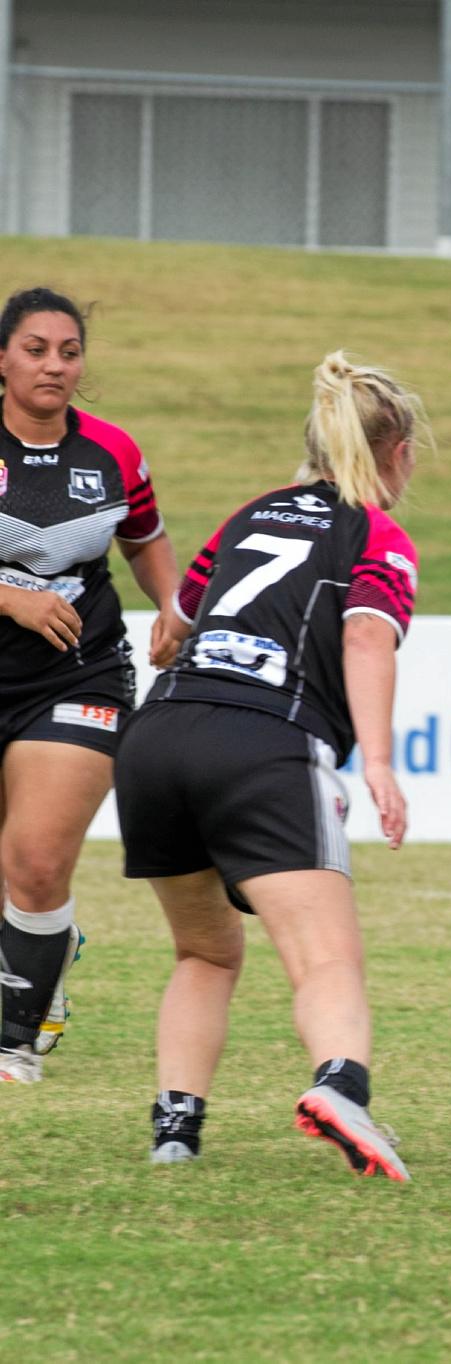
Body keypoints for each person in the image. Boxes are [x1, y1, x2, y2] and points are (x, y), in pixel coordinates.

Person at [117, 352, 424, 1177]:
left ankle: (175, 1131)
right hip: (265, 743)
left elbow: (177, 621)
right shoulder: (378, 535)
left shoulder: (252, 513)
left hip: (159, 738)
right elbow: (365, 635)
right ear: (399, 454)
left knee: (205, 951)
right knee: (325, 960)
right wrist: (382, 765)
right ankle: (340, 1086)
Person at [0, 287, 183, 1084]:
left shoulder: (112, 451)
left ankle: (12, 1043)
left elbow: (145, 538)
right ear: (3, 358)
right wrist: (10, 597)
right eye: (36, 349)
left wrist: (174, 607)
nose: (54, 365)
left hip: (80, 672)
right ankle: (48, 948)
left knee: (36, 862)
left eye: (69, 352)